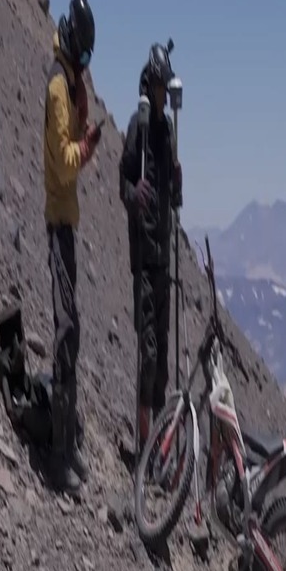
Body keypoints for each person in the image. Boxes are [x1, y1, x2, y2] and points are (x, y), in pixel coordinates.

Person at [43, 0, 101, 493]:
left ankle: (69, 445)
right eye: (84, 54)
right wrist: (85, 146)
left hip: (68, 221)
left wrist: (84, 128)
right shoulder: (58, 88)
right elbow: (63, 163)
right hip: (58, 220)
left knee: (73, 331)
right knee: (65, 334)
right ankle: (59, 455)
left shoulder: (69, 86)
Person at [119, 43, 182, 452]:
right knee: (148, 355)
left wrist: (176, 185)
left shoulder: (167, 131)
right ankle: (144, 445)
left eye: (165, 87)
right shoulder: (137, 128)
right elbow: (122, 180)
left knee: (162, 367)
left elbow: (173, 196)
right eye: (160, 86)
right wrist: (132, 191)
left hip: (164, 258)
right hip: (144, 258)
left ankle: (158, 447)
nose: (163, 94)